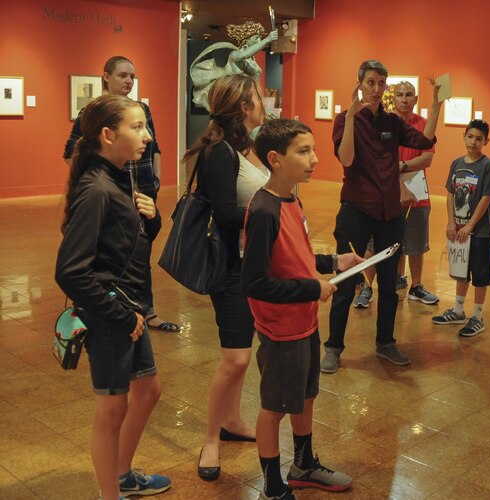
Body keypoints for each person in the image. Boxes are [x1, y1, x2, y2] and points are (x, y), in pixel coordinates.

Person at [55, 94, 171, 499]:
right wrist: (121, 317)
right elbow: (70, 271)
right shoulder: (97, 189)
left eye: (145, 125)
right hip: (112, 317)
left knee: (148, 392)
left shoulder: (119, 179)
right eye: (137, 127)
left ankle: (121, 476)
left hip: (129, 311)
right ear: (108, 135)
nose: (147, 136)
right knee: (112, 408)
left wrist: (149, 221)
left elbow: (125, 247)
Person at [243, 119, 361, 499]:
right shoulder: (262, 209)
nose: (314, 159)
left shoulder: (292, 199)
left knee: (305, 396)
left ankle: (304, 464)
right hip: (281, 329)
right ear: (275, 159)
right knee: (274, 406)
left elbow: (295, 255)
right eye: (304, 151)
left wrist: (332, 262)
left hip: (304, 322)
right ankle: (273, 485)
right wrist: (313, 287)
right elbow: (255, 282)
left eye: (312, 149)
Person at [321, 60, 442, 374]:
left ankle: (386, 343)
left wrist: (437, 103)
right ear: (360, 83)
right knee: (346, 282)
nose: (377, 89)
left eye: (381, 84)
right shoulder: (345, 119)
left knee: (389, 284)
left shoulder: (392, 121)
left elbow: (424, 141)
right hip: (355, 211)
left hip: (389, 213)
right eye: (371, 83)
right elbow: (346, 158)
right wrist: (350, 116)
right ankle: (333, 346)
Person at [183, 74, 268, 480]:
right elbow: (226, 215)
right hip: (230, 265)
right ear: (244, 107)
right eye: (257, 95)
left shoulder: (244, 146)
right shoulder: (220, 151)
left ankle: (232, 420)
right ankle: (210, 439)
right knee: (235, 358)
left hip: (252, 263)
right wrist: (270, 215)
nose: (264, 98)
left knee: (242, 354)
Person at [63, 55, 179, 334]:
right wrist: (104, 175)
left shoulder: (141, 109)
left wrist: (156, 182)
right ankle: (120, 313)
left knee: (140, 257)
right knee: (113, 261)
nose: (128, 81)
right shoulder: (92, 113)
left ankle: (144, 311)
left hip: (141, 194)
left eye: (132, 77)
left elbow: (156, 147)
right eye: (122, 75)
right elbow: (71, 153)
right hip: (116, 195)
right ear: (106, 77)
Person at [352, 81, 440, 308]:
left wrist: (399, 166)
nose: (404, 99)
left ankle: (416, 286)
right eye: (400, 94)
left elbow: (427, 158)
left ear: (416, 98)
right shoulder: (383, 123)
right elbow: (377, 157)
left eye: (409, 95)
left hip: (418, 194)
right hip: (383, 194)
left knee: (416, 244)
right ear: (393, 97)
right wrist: (397, 170)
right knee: (374, 244)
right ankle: (368, 287)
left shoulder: (423, 125)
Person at [431, 120, 490, 337]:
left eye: (479, 138)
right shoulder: (456, 163)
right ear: (464, 136)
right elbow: (450, 193)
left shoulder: (487, 165)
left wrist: (470, 225)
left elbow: (486, 197)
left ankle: (477, 316)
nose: (474, 141)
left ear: (486, 141)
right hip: (458, 230)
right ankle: (459, 310)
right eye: (470, 136)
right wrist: (451, 222)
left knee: (480, 274)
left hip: (478, 233)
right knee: (461, 272)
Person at [190, 21, 279, 110]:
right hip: (239, 101)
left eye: (260, 38)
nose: (259, 41)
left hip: (252, 99)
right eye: (256, 38)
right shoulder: (235, 55)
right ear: (245, 41)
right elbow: (244, 55)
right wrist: (267, 40)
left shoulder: (251, 60)